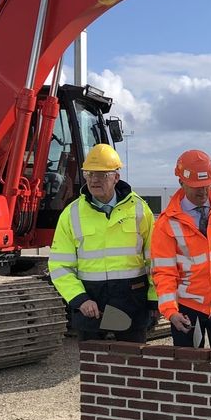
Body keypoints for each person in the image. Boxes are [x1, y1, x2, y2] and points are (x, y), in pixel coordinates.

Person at [48, 144, 156, 342]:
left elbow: (156, 260)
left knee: (133, 364)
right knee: (93, 367)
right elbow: (59, 265)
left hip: (131, 301)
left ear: (116, 177)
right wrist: (80, 299)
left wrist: (155, 299)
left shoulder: (140, 209)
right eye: (90, 174)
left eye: (102, 174)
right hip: (90, 303)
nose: (94, 180)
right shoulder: (71, 214)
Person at [152, 149, 211, 350]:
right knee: (189, 370)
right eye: (196, 187)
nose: (202, 192)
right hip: (187, 308)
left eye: (206, 185)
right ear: (181, 182)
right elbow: (164, 272)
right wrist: (170, 311)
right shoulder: (167, 224)